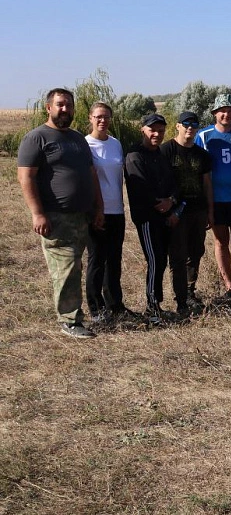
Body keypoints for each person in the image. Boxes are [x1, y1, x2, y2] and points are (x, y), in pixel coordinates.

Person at [17, 88, 103, 338]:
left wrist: (98, 207)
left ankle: (75, 315)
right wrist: (37, 213)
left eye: (69, 105)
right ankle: (69, 320)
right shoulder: (36, 138)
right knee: (66, 268)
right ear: (48, 108)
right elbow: (25, 177)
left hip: (81, 216)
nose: (65, 109)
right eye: (60, 105)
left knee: (75, 266)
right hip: (56, 217)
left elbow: (91, 174)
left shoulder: (77, 139)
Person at [195, 93, 231, 297]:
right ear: (214, 113)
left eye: (229, 111)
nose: (226, 114)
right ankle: (229, 286)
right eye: (222, 111)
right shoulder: (204, 135)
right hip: (215, 200)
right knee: (221, 242)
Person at [125, 113, 180, 325]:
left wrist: (171, 201)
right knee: (155, 260)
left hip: (165, 216)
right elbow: (140, 188)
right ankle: (152, 306)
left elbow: (174, 183)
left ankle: (157, 303)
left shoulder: (161, 154)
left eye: (160, 130)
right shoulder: (134, 155)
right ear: (143, 130)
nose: (156, 134)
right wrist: (162, 205)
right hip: (147, 218)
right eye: (152, 130)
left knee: (162, 259)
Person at [161, 111, 213, 317]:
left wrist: (210, 212)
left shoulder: (202, 155)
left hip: (198, 210)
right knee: (177, 256)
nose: (190, 128)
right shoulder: (166, 150)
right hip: (176, 212)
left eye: (194, 124)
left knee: (196, 252)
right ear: (177, 126)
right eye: (186, 124)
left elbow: (207, 185)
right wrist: (167, 211)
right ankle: (180, 299)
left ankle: (190, 292)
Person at [84, 101, 133, 323]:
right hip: (97, 211)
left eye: (106, 117)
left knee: (114, 260)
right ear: (90, 118)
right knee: (97, 259)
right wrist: (96, 209)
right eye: (98, 117)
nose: (103, 121)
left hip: (117, 210)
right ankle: (96, 309)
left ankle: (115, 305)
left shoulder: (115, 144)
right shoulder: (85, 145)